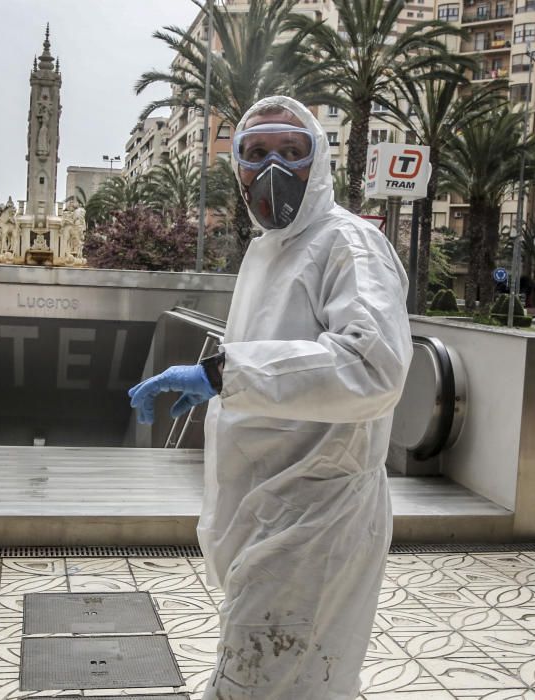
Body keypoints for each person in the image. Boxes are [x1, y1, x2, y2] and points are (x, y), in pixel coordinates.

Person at [128, 95, 413, 699]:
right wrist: (230, 384)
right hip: (271, 504)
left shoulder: (348, 245)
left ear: (321, 161)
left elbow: (373, 367)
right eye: (256, 153)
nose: (274, 168)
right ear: (236, 168)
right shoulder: (269, 249)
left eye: (293, 150)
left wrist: (225, 375)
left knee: (261, 681)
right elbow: (285, 362)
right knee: (294, 680)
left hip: (318, 510)